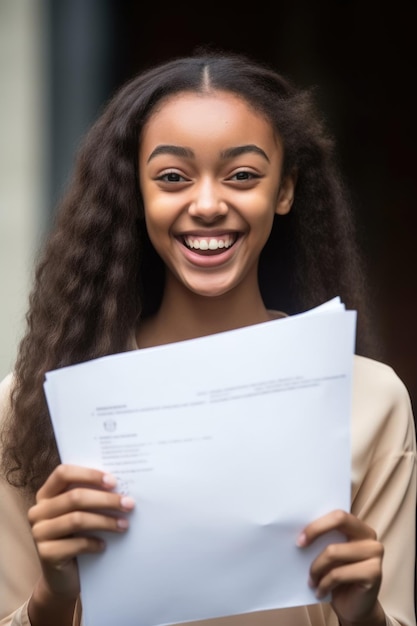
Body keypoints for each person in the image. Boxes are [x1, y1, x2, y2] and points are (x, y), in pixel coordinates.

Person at [0, 48, 415, 626]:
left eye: (243, 175)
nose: (208, 204)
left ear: (285, 191)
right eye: (172, 177)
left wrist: (362, 614)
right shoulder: (31, 402)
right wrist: (54, 595)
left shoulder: (370, 399)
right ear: (136, 195)